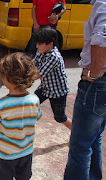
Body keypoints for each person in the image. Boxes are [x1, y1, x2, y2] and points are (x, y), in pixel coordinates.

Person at [64, 0, 106, 179]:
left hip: (97, 84)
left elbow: (102, 38)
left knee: (80, 147)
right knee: (94, 137)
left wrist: (95, 73)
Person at [0, 52, 41, 180]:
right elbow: (37, 118)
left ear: (7, 78)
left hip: (5, 154)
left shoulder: (0, 104)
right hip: (26, 151)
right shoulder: (34, 100)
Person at [33, 27, 72, 130]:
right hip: (45, 87)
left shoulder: (54, 57)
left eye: (39, 44)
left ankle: (77, 135)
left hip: (57, 92)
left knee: (60, 118)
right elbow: (32, 65)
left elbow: (38, 74)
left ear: (50, 44)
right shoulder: (41, 52)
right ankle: (30, 120)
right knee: (32, 103)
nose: (37, 46)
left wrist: (20, 80)